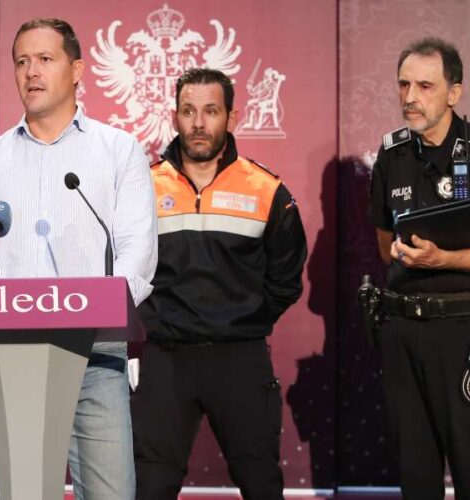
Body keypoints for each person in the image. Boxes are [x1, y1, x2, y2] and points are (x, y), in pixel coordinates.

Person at [0, 17, 157, 500]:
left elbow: (137, 255)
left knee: (111, 494)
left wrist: (94, 310)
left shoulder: (118, 151)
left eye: (45, 59)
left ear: (78, 69)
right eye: (22, 61)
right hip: (13, 355)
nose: (31, 72)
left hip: (96, 355)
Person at [368, 37, 470, 499]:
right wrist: (410, 257)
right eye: (403, 85)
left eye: (424, 86)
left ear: (453, 93)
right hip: (402, 329)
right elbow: (385, 244)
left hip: (466, 332)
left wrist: (445, 259)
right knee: (416, 476)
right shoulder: (391, 153)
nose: (409, 97)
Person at [132, 67, 307, 499]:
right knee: (150, 486)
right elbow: (124, 270)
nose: (198, 123)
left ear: (231, 117)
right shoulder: (142, 186)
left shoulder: (267, 190)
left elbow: (286, 279)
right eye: (188, 111)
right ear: (174, 116)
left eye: (210, 111)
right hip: (164, 360)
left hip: (239, 360)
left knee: (261, 482)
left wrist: (244, 320)